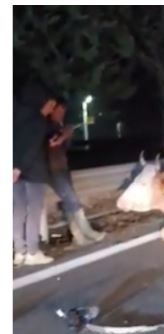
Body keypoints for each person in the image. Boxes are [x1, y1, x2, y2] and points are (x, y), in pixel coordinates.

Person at [47, 97, 105, 245]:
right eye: (59, 111)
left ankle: (79, 237)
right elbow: (52, 143)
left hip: (62, 167)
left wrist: (67, 136)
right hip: (52, 170)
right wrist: (65, 133)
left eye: (63, 111)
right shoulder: (47, 126)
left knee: (69, 202)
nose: (61, 114)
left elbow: (64, 147)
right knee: (72, 200)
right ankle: (86, 231)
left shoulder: (58, 125)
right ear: (52, 110)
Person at [13, 84, 57, 266]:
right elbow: (32, 147)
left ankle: (19, 252)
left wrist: (13, 168)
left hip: (13, 172)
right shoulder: (38, 121)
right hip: (32, 172)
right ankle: (32, 251)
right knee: (33, 211)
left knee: (18, 210)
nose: (51, 108)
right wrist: (19, 168)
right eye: (50, 104)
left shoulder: (14, 116)